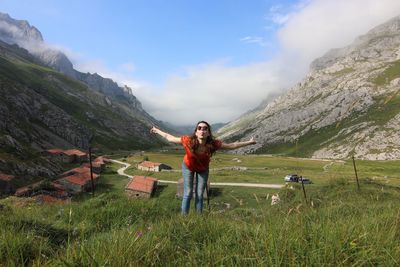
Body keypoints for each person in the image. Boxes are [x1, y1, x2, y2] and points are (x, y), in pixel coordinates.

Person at [150, 121, 256, 214]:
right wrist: (157, 130)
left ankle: (198, 218)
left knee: (200, 194)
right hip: (188, 167)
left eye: (205, 129)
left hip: (203, 169)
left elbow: (232, 145)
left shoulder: (213, 144)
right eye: (199, 128)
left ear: (208, 133)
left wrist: (249, 142)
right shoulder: (188, 140)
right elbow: (170, 138)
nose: (202, 130)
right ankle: (183, 218)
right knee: (188, 193)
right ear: (196, 132)